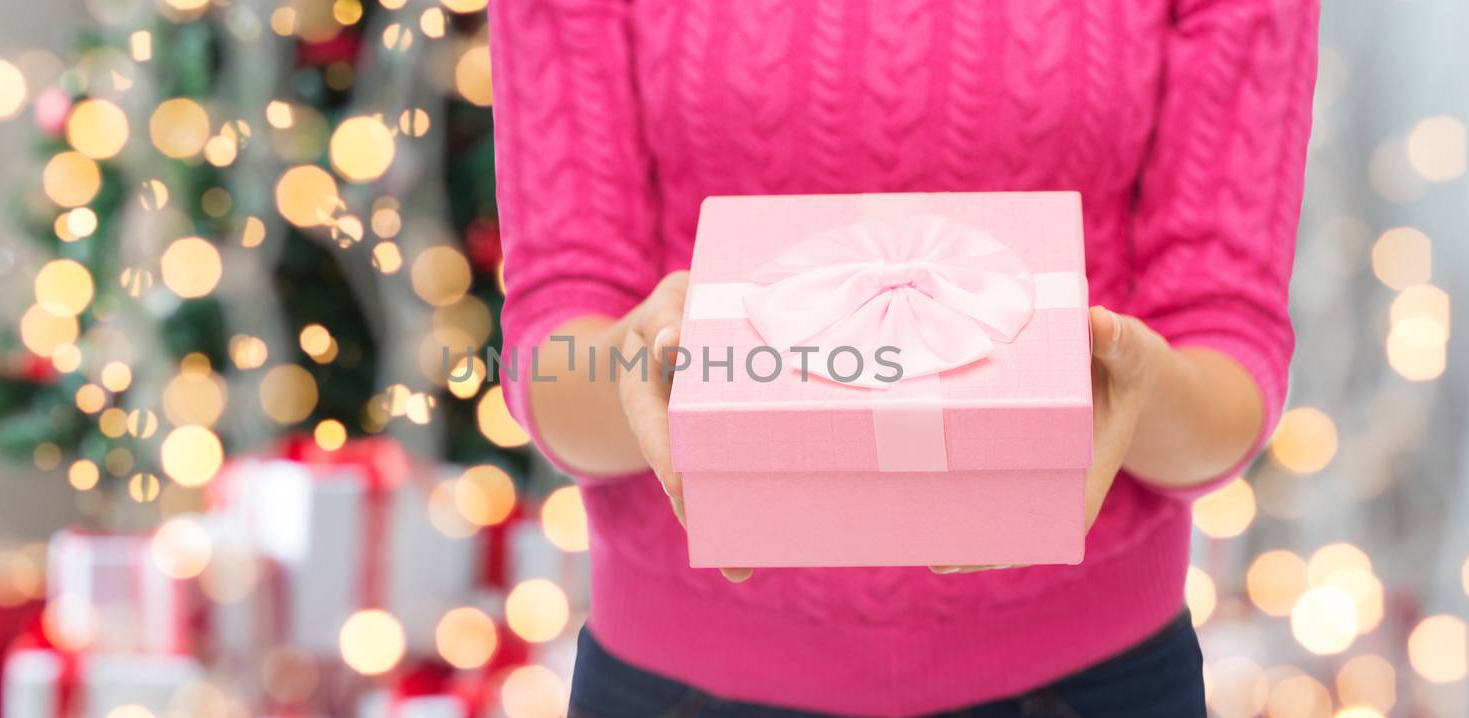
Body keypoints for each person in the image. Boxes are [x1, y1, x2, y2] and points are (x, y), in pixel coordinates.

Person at [487, 1, 1317, 715]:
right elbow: (553, 347)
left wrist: (1137, 385)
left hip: (1092, 678)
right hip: (680, 681)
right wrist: (634, 365)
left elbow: (1226, 346)